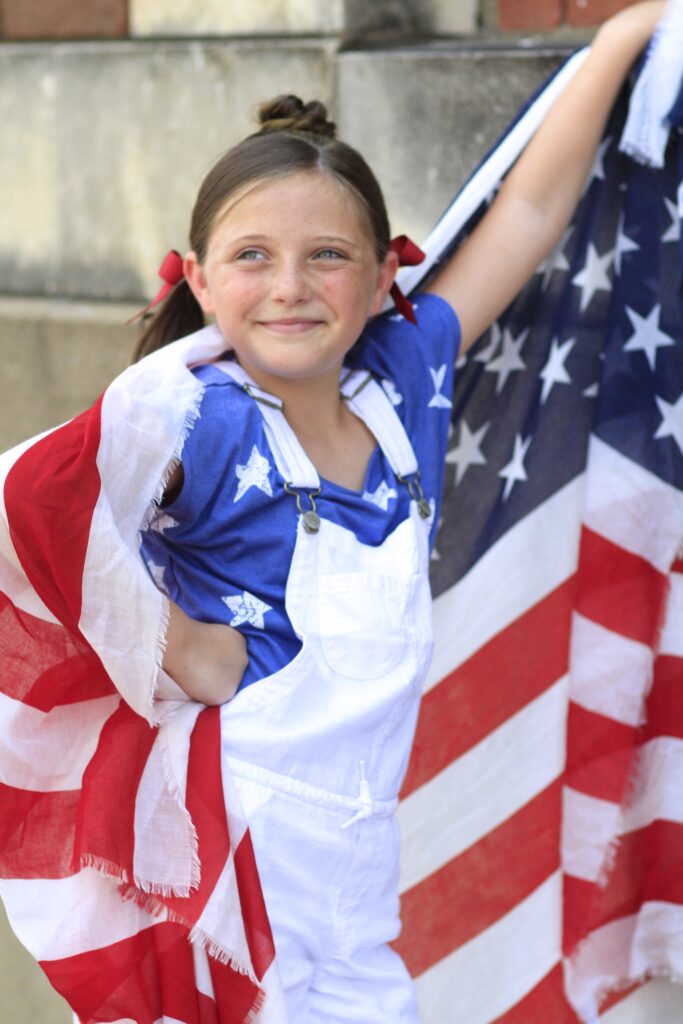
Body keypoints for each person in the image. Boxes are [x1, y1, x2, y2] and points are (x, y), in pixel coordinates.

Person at [0, 3, 669, 1023]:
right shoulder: (200, 415)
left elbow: (527, 215)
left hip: (354, 877)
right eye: (252, 257)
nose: (290, 288)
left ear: (379, 276)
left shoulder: (398, 377)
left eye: (326, 256)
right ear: (202, 275)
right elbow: (29, 506)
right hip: (240, 879)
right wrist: (178, 644)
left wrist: (621, 43)